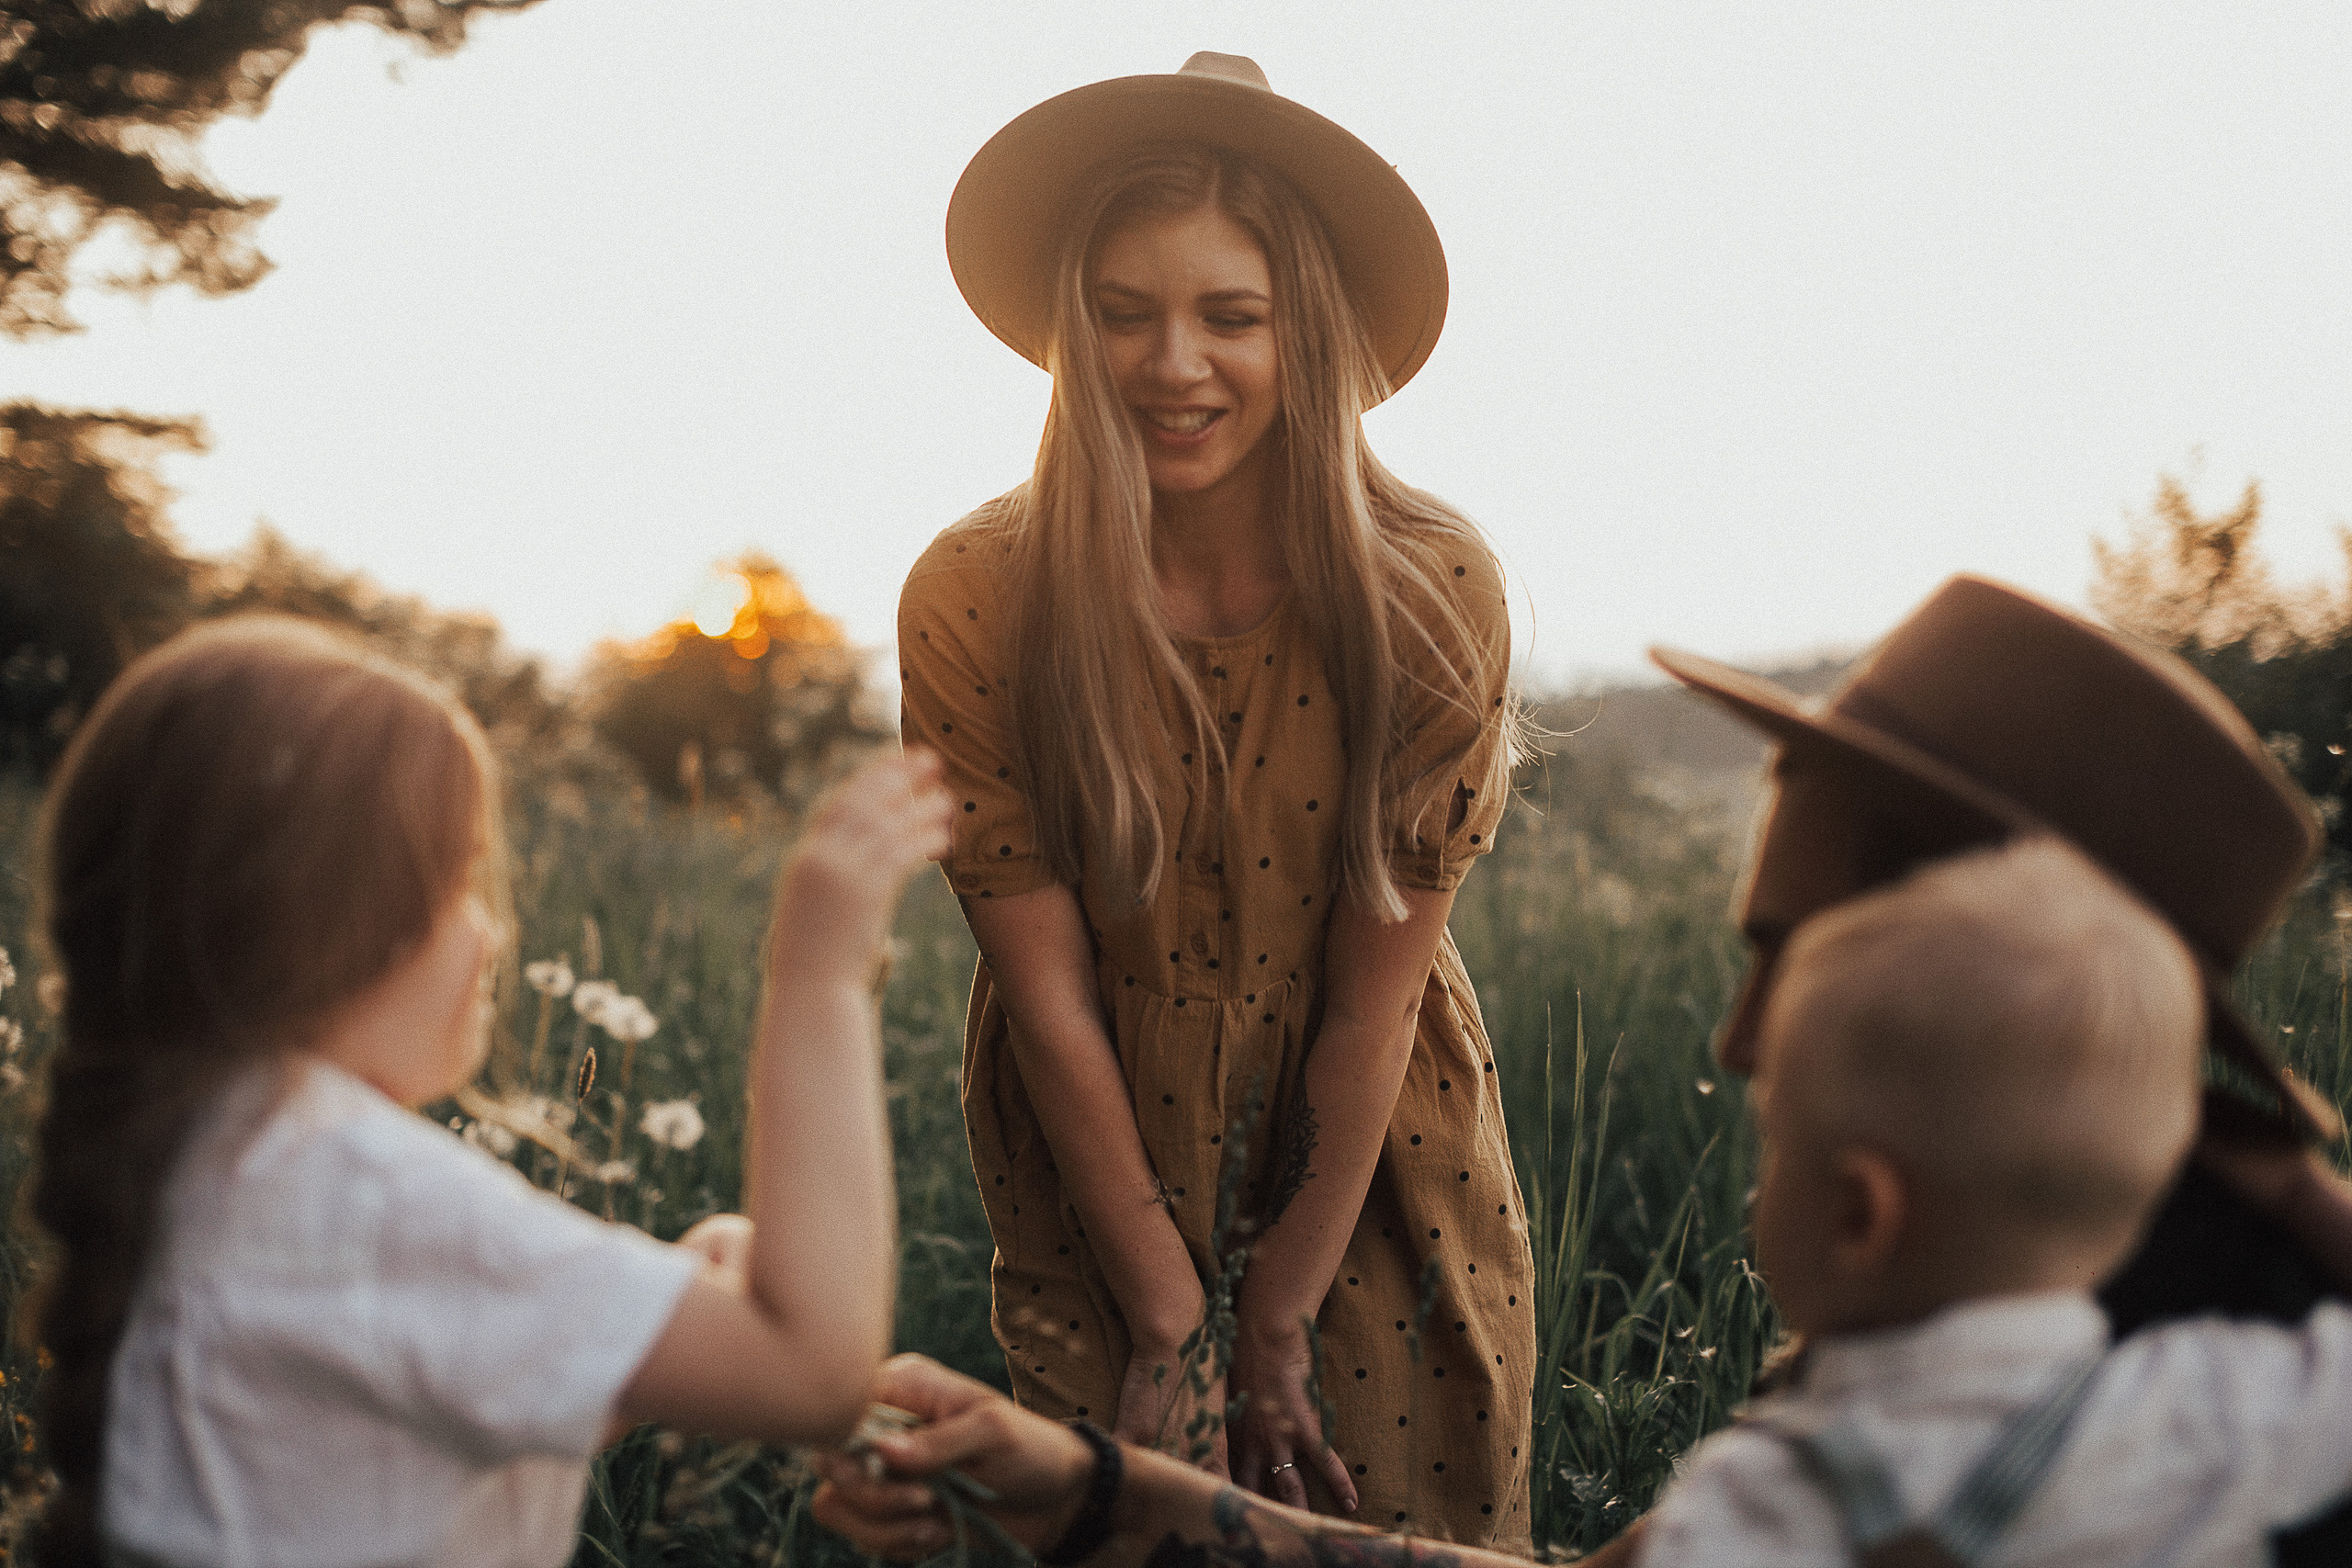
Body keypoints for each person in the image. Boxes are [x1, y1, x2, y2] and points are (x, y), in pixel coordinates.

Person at [810, 840, 2352, 1568]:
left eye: (1774, 1145)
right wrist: (2289, 1168)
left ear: (1864, 1213)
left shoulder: (1787, 1501)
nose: (1736, 1052)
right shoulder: (2227, 1392)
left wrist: (1082, 1485)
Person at [897, 51, 1532, 1544]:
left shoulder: (1430, 592)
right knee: (1133, 1524)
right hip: (1094, 1133)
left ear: (1304, 331)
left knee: (1384, 1525)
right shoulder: (976, 592)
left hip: (1369, 1148)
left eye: (1230, 316)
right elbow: (1046, 997)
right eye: (1125, 312)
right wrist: (1173, 1318)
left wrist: (1280, 1320)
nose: (1173, 362)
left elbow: (1368, 1008)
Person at [27, 615, 951, 1568]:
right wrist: (820, 977)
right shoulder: (357, 1184)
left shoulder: (223, 1155)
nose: (493, 931)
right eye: (461, 880)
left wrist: (675, 1306)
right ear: (337, 926)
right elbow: (813, 1376)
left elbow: (424, 1386)